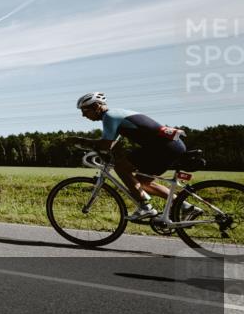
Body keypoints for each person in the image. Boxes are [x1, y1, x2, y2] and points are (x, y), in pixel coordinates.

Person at [66, 92, 197, 222]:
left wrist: (80, 141)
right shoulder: (117, 114)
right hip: (170, 145)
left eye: (85, 110)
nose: (83, 115)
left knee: (121, 168)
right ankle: (185, 207)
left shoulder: (110, 117)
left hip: (163, 147)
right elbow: (111, 145)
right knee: (142, 183)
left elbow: (105, 145)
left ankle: (145, 207)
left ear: (96, 106)